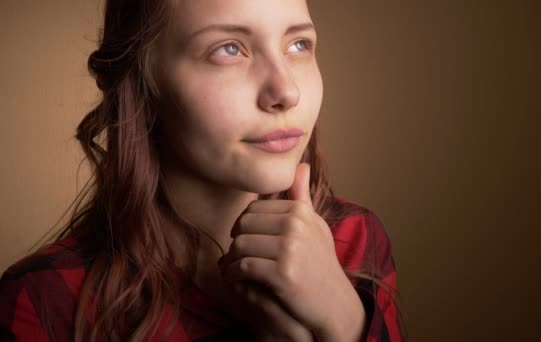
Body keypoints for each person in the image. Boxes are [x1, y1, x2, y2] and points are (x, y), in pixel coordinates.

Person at [0, 0, 404, 341]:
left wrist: (347, 323)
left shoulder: (356, 240)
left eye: (299, 44)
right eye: (229, 49)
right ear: (142, 82)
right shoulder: (45, 300)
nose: (286, 92)